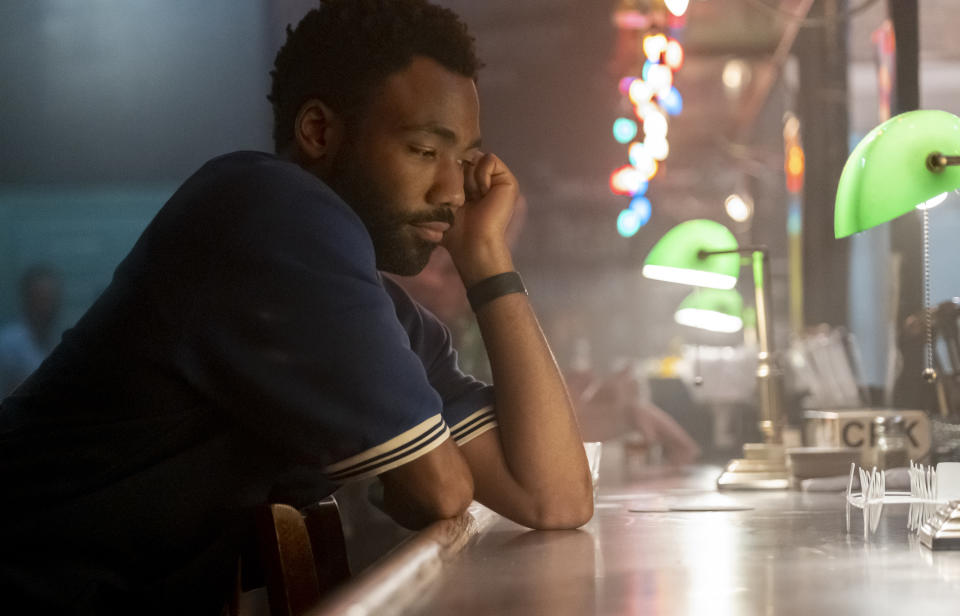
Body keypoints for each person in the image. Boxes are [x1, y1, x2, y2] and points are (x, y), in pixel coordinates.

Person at [0, 1, 592, 613]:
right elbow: (440, 492)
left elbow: (556, 499)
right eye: (422, 151)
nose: (450, 194)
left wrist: (488, 260)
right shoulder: (268, 208)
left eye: (462, 161)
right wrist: (412, 482)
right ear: (318, 132)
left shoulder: (381, 312)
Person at [0, 265, 62, 397]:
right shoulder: (8, 344)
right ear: (27, 299)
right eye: (42, 298)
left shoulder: (59, 340)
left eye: (52, 298)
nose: (48, 307)